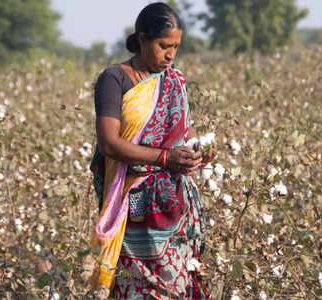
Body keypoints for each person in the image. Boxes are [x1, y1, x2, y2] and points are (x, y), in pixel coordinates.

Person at [89, 2, 210, 299]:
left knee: (178, 285)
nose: (170, 54)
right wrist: (166, 158)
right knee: (135, 283)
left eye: (176, 47)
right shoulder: (115, 79)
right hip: (135, 203)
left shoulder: (174, 80)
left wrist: (197, 153)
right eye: (163, 45)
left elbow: (183, 133)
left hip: (175, 204)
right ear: (142, 39)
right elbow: (108, 143)